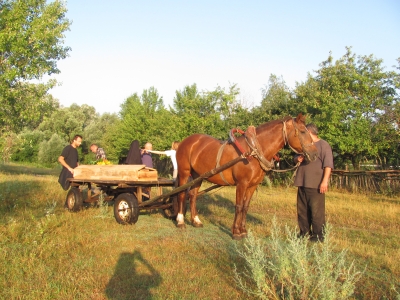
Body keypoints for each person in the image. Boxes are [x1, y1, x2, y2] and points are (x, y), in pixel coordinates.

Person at [293, 123, 334, 242]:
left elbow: (328, 165)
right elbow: (295, 157)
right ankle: (304, 234)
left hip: (316, 184)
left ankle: (318, 236)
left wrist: (324, 182)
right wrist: (297, 159)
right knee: (302, 211)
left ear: (310, 132)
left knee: (316, 212)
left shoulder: (323, 145)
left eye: (304, 133)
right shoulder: (304, 145)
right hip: (302, 181)